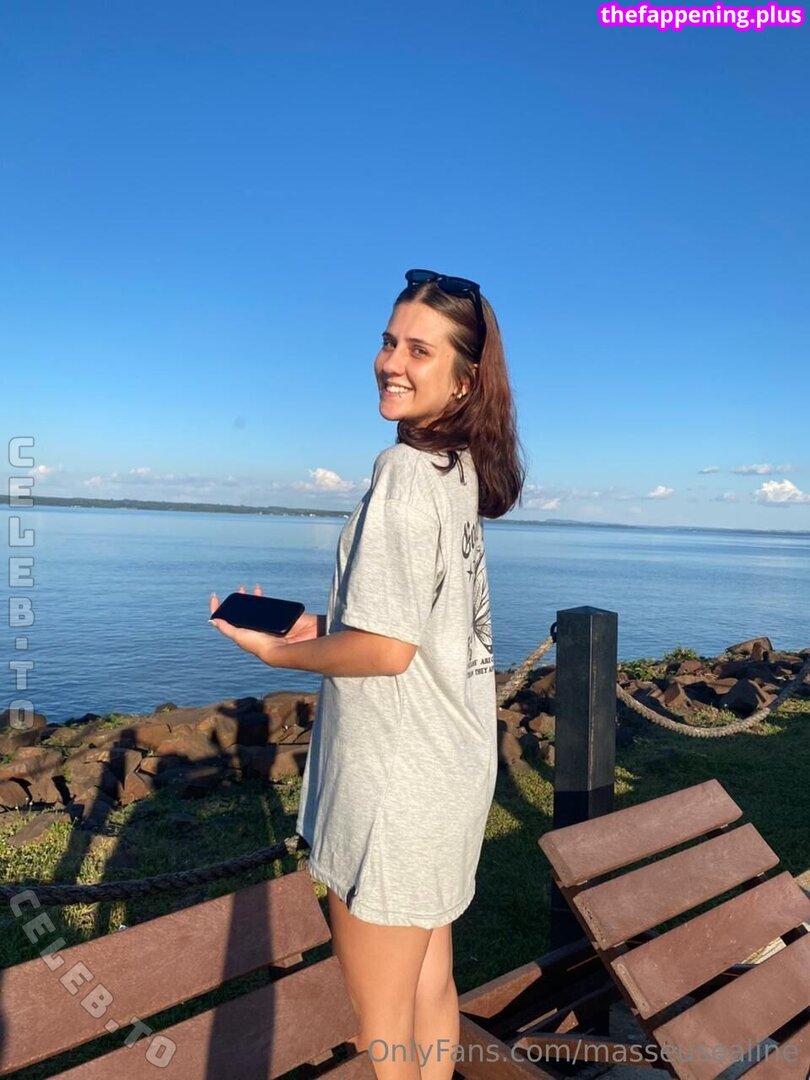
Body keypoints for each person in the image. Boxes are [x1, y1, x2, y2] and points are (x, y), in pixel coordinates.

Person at [209, 268, 525, 1080]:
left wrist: (278, 654)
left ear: (465, 380)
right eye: (389, 342)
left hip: (393, 786)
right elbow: (416, 626)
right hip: (449, 774)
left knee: (379, 1031)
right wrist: (322, 630)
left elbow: (386, 652)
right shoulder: (456, 472)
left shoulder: (404, 474)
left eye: (419, 350)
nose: (391, 361)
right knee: (430, 988)